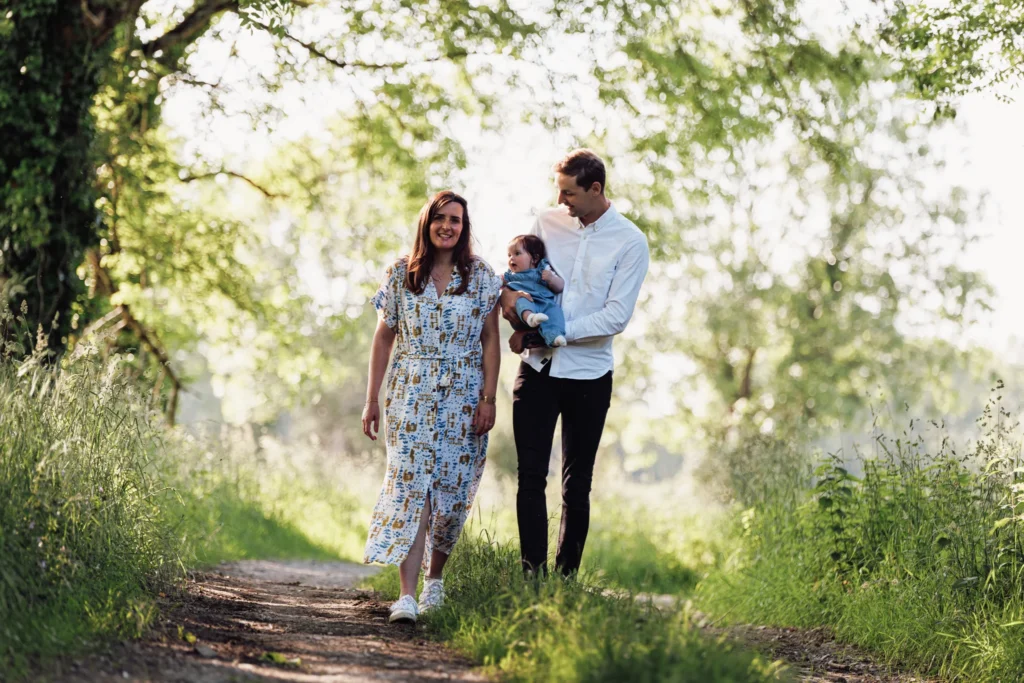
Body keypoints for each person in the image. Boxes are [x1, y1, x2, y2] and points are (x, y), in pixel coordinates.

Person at [501, 149, 650, 577]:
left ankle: (564, 583)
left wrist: (553, 333)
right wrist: (512, 308)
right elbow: (517, 278)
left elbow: (615, 316)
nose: (560, 200)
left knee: (576, 485)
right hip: (537, 370)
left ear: (595, 189)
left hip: (589, 376)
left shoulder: (630, 241)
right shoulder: (546, 224)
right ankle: (532, 578)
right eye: (559, 190)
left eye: (568, 192)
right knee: (530, 476)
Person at [362, 190, 502, 623]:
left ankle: (434, 581)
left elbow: (491, 339)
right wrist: (371, 399)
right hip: (410, 395)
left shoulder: (480, 276)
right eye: (440, 218)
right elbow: (384, 338)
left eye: (456, 220)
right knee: (410, 487)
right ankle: (406, 595)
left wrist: (489, 398)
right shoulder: (403, 273)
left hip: (464, 396)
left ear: (465, 227)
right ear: (427, 223)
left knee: (453, 491)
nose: (447, 226)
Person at [502, 234, 566, 347]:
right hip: (526, 303)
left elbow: (560, 286)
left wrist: (551, 279)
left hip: (545, 303)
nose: (511, 258)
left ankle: (555, 337)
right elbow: (494, 282)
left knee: (555, 312)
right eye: (509, 255)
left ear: (535, 258)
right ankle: (530, 317)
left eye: (517, 253)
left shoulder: (542, 270)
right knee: (521, 300)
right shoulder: (511, 276)